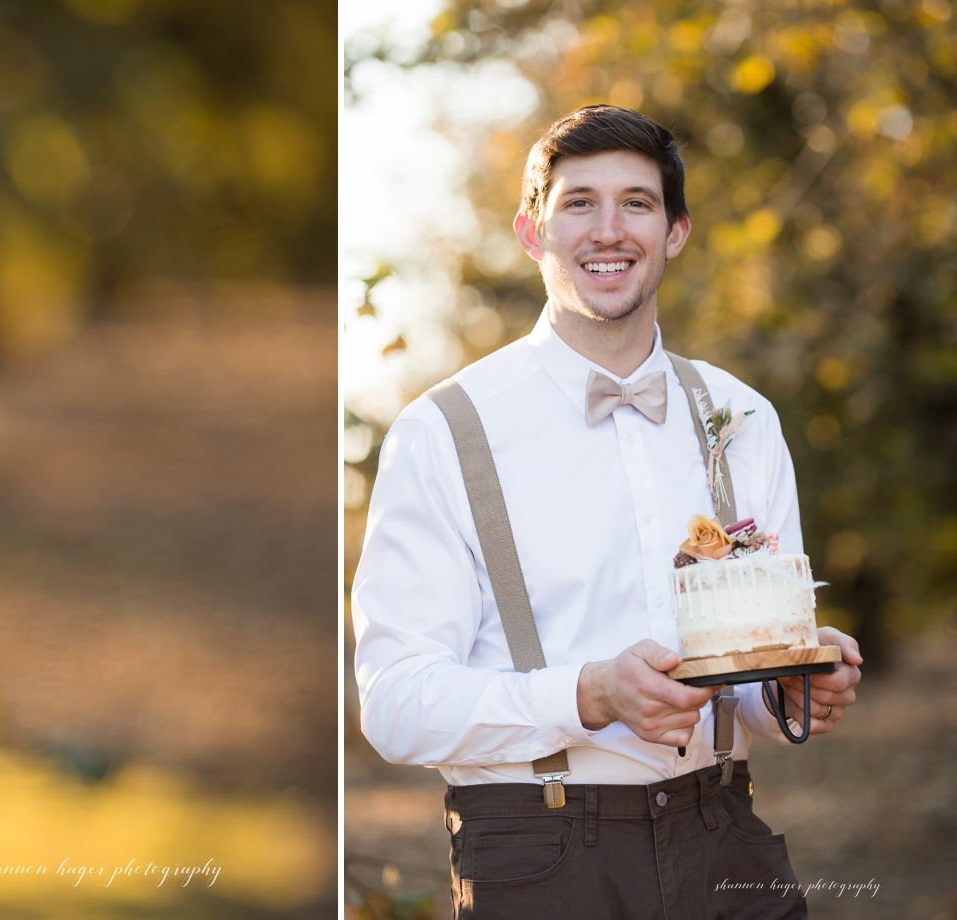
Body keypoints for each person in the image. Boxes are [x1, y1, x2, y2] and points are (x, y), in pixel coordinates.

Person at [352, 105, 863, 918]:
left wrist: (789, 691)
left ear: (675, 233)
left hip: (725, 831)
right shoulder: (444, 431)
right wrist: (586, 695)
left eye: (637, 203)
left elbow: (749, 681)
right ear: (532, 233)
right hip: (541, 855)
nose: (609, 229)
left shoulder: (743, 417)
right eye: (579, 203)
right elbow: (395, 703)